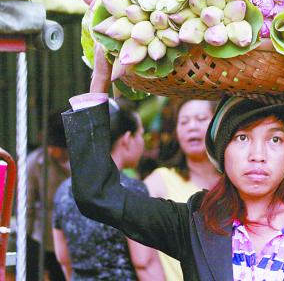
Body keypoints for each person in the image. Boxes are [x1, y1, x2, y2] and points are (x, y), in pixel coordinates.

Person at [60, 45, 284, 281]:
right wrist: (100, 81)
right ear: (222, 152)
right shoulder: (193, 223)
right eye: (242, 138)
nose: (258, 155)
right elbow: (97, 195)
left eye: (275, 139)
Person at [52, 99, 165, 280]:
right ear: (127, 140)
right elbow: (145, 263)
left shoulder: (64, 190)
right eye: (140, 135)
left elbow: (63, 259)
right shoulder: (131, 189)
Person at [144, 99, 221, 281]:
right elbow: (145, 261)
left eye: (201, 119)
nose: (192, 127)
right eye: (184, 122)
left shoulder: (235, 182)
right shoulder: (159, 181)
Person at [26, 109, 69, 281]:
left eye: (57, 148)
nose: (52, 151)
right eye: (49, 146)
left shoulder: (79, 163)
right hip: (39, 235)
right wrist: (26, 239)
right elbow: (27, 206)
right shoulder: (35, 163)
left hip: (68, 236)